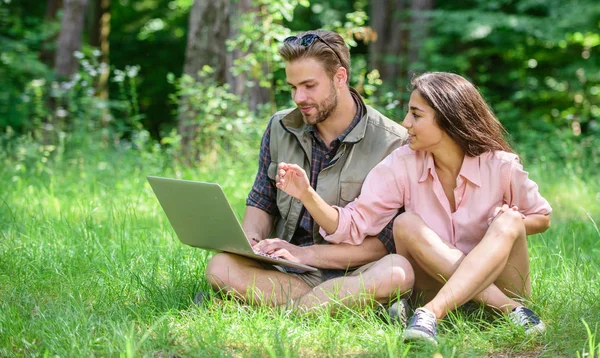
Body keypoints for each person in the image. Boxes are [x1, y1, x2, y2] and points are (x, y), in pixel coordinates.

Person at [275, 72, 551, 344]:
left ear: (449, 119)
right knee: (405, 224)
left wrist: (506, 222)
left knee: (511, 220)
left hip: (501, 283)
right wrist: (307, 194)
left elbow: (542, 217)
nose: (406, 123)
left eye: (416, 115)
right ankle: (511, 310)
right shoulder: (403, 163)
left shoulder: (500, 165)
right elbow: (355, 223)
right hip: (434, 285)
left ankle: (431, 313)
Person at [203, 29, 414, 317]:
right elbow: (262, 201)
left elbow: (382, 246)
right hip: (287, 270)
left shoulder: (394, 142)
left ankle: (284, 309)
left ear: (339, 77)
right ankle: (350, 306)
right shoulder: (280, 127)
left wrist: (304, 254)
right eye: (292, 87)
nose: (299, 97)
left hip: (354, 270)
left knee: (397, 272)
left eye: (309, 86)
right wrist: (251, 243)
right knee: (220, 267)